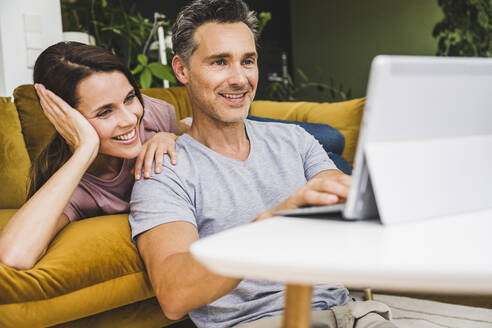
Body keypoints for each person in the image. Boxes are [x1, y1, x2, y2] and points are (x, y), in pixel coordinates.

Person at [129, 0, 396, 327]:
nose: (239, 79)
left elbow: (340, 200)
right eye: (220, 62)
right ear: (182, 69)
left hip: (348, 313)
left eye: (248, 61)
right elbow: (174, 295)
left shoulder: (295, 140)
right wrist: (272, 224)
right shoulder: (163, 172)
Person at [0, 42, 188, 270]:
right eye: (104, 112)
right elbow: (14, 255)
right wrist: (85, 149)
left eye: (129, 97)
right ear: (66, 119)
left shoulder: (151, 115)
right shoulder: (78, 189)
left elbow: (203, 133)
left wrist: (173, 137)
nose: (129, 119)